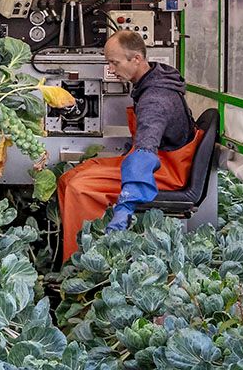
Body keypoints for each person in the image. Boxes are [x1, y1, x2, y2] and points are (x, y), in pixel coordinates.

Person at [57, 29, 201, 261]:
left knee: (80, 187)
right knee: (69, 178)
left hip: (163, 170)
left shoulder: (155, 99)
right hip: (153, 160)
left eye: (114, 63)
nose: (111, 70)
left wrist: (126, 204)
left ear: (137, 59)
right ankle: (71, 250)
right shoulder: (153, 79)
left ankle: (85, 261)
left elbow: (145, 152)